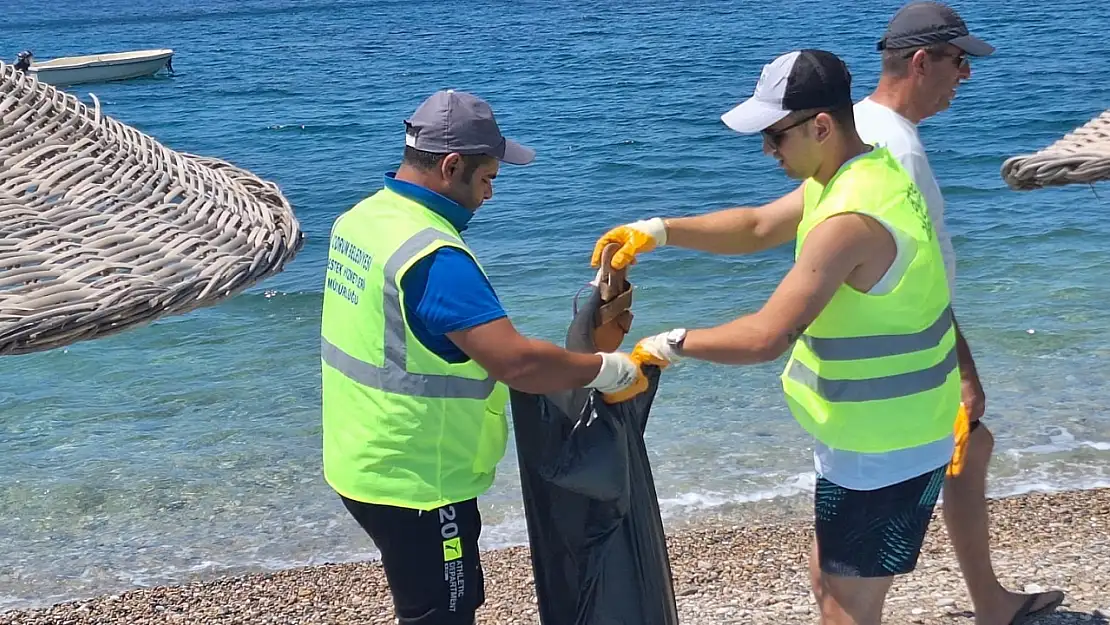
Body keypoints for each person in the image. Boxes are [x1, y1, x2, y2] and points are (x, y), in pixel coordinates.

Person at [593, 49, 962, 624]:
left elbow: (768, 335)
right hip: (878, 429)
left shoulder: (850, 221)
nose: (767, 150)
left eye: (775, 136)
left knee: (847, 604)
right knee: (829, 580)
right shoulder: (860, 169)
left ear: (820, 125)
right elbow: (760, 225)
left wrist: (666, 347)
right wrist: (658, 231)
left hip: (886, 443)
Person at [320, 89, 655, 625]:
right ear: (451, 166)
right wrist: (610, 368)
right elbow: (516, 364)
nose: (490, 195)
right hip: (423, 483)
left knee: (427, 603)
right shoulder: (435, 257)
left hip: (361, 460)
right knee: (444, 610)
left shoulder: (362, 221)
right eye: (487, 179)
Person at [857, 3, 1065, 623]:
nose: (965, 78)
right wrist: (965, 369)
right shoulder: (896, 149)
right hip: (904, 351)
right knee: (882, 510)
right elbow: (917, 282)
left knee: (967, 452)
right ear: (922, 62)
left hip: (877, 346)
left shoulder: (858, 127)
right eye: (959, 63)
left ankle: (990, 601)